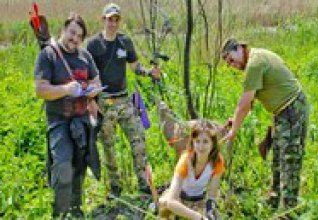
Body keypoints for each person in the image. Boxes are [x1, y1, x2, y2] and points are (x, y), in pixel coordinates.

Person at [221, 38, 310, 210]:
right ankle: (274, 200)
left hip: (292, 109)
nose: (232, 64)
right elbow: (251, 98)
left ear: (239, 48)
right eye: (228, 63)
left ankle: (289, 209)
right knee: (277, 157)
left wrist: (233, 131)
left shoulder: (254, 63)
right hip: (282, 113)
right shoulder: (255, 59)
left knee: (289, 160)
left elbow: (244, 104)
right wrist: (235, 120)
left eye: (231, 59)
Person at [86, 3, 160, 197]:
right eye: (110, 18)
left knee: (138, 140)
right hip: (104, 102)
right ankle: (115, 186)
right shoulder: (93, 45)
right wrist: (91, 101)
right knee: (108, 146)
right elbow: (86, 74)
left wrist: (149, 72)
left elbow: (135, 67)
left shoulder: (125, 41)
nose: (113, 22)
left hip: (125, 101)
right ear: (103, 19)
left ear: (119, 21)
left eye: (116, 19)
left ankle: (143, 183)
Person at [34, 14, 101, 217]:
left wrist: (92, 90)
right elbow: (41, 89)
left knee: (79, 167)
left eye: (79, 36)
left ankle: (76, 209)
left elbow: (97, 81)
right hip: (59, 122)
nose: (75, 38)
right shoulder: (49, 55)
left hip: (81, 121)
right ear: (64, 29)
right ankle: (60, 213)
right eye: (72, 32)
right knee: (63, 167)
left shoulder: (85, 56)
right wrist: (65, 90)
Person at [159, 120, 225, 220]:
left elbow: (211, 196)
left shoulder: (217, 161)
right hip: (179, 199)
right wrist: (199, 218)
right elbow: (172, 201)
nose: (201, 147)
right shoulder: (186, 160)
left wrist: (209, 213)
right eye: (197, 141)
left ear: (213, 144)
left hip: (199, 200)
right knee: (165, 209)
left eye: (205, 142)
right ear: (192, 142)